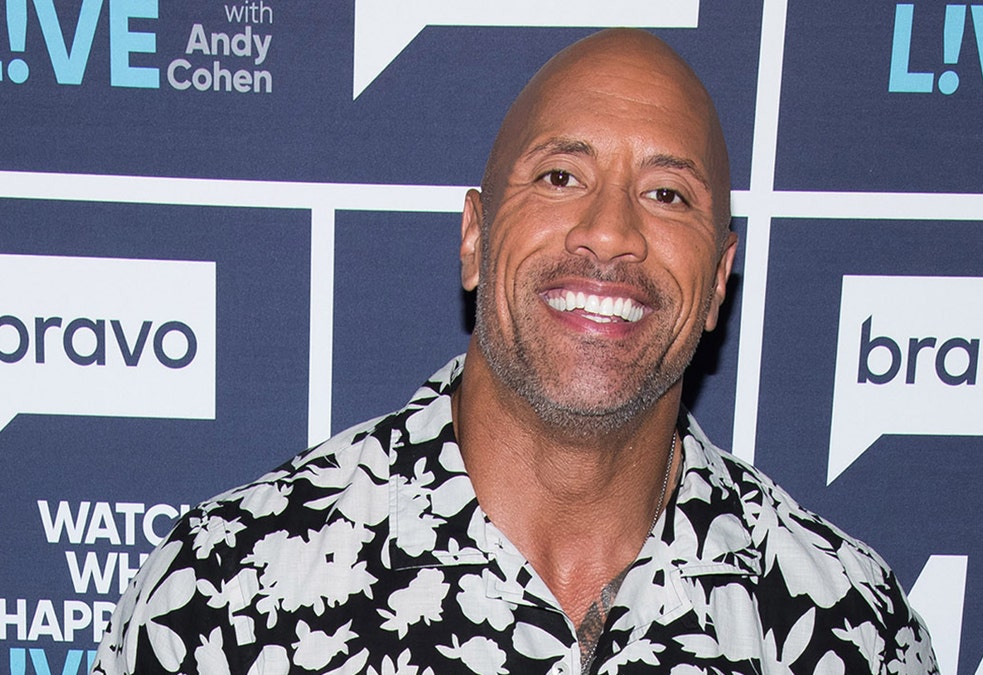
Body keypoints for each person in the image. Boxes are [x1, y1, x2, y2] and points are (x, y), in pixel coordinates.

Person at [93, 29, 938, 675]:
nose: (611, 232)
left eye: (667, 193)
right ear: (474, 234)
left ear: (719, 278)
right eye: (560, 177)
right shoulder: (226, 594)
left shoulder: (845, 623)